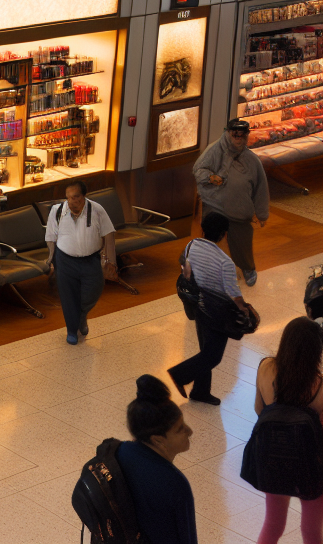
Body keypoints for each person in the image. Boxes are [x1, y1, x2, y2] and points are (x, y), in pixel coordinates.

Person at [167, 211, 254, 406]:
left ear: (202, 229)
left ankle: (200, 391)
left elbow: (184, 265)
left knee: (205, 350)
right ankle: (180, 375)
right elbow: (233, 292)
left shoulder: (192, 245)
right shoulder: (225, 262)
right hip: (217, 312)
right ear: (224, 234)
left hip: (197, 305)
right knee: (213, 355)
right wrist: (244, 308)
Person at [252, 318, 323, 543]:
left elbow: (259, 409)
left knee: (273, 524)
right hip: (310, 465)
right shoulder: (320, 386)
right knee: (311, 529)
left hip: (272, 458)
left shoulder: (265, 367)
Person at [115, 376, 196, 544]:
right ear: (158, 439)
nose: (190, 431)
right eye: (180, 429)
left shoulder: (117, 452)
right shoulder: (174, 483)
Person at [194, 118, 270, 285]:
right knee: (211, 241)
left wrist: (262, 214)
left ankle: (247, 267)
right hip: (215, 206)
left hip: (239, 210)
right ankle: (207, 272)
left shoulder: (252, 160)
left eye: (242, 135)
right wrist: (210, 177)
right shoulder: (214, 150)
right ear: (228, 133)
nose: (238, 138)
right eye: (235, 134)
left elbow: (261, 188)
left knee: (242, 242)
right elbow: (198, 170)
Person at [44, 179, 117, 345]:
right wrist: (51, 260)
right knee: (68, 296)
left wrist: (111, 261)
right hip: (65, 259)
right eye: (68, 197)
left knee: (93, 291)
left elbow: (109, 234)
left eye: (75, 197)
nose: (71, 201)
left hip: (90, 259)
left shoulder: (97, 210)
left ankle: (81, 316)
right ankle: (72, 330)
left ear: (84, 196)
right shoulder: (57, 211)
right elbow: (50, 238)